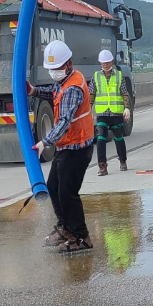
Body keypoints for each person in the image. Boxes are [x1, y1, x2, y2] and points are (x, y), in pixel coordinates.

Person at [29, 39, 96, 254]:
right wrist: (34, 91)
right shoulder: (65, 80)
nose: (53, 72)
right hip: (67, 145)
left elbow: (64, 121)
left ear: (68, 63)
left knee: (67, 193)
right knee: (53, 186)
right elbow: (54, 92)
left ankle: (81, 236)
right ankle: (66, 228)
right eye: (51, 68)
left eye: (56, 67)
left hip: (77, 147)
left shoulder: (73, 88)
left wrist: (45, 142)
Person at [92, 48, 129, 176]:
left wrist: (127, 108)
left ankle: (123, 160)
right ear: (100, 63)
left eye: (107, 62)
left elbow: (124, 92)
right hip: (102, 113)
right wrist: (88, 110)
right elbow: (91, 94)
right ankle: (102, 165)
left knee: (118, 137)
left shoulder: (119, 76)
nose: (105, 65)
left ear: (111, 62)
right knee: (100, 137)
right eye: (103, 63)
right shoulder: (96, 76)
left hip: (115, 113)